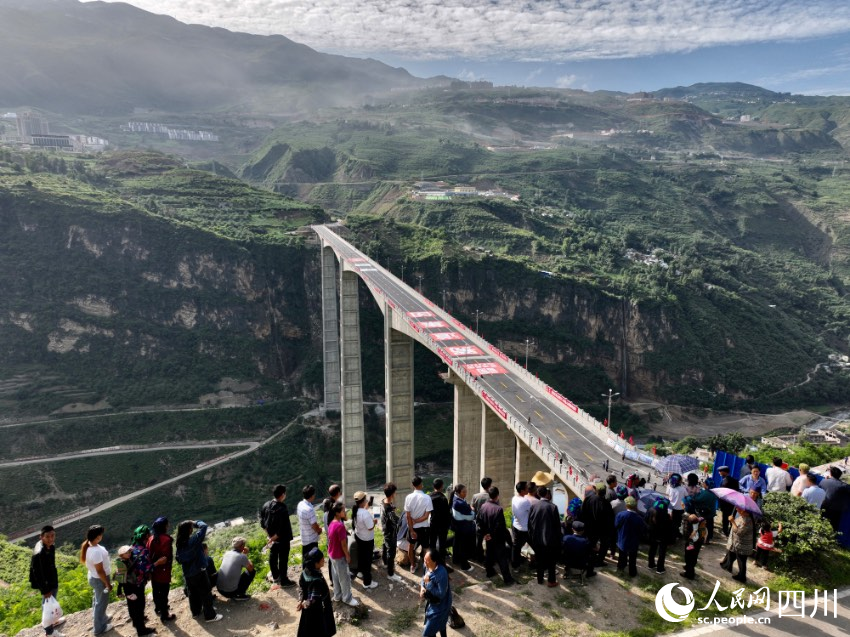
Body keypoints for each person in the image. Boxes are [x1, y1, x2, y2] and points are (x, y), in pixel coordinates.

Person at [175, 520, 222, 622]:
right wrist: (195, 522)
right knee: (205, 593)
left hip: (188, 573)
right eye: (191, 527)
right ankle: (210, 616)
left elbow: (178, 559)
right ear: (189, 530)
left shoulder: (179, 544)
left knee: (192, 593)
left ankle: (196, 612)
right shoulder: (193, 541)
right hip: (199, 571)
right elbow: (204, 526)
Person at [476, 486, 515, 585]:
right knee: (502, 558)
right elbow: (500, 526)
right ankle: (507, 579)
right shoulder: (498, 509)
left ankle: (489, 572)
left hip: (488, 537)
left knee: (489, 555)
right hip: (497, 537)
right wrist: (492, 535)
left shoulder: (483, 506)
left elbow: (479, 522)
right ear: (497, 496)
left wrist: (485, 534)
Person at [80, 525, 112, 635]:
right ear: (98, 537)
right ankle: (99, 628)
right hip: (100, 579)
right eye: (101, 534)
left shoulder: (88, 545)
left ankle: (101, 617)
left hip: (94, 577)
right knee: (101, 603)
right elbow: (100, 571)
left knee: (97, 599)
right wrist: (107, 584)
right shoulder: (96, 551)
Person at [31, 526, 62, 637]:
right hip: (46, 584)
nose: (50, 539)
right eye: (47, 536)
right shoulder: (39, 553)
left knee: (51, 602)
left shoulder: (51, 547)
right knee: (47, 606)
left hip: (52, 580)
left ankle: (53, 621)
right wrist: (45, 590)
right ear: (41, 537)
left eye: (52, 535)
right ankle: (49, 632)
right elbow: (37, 573)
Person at [326, 501, 359, 607]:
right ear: (338, 513)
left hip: (332, 554)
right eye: (343, 511)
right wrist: (348, 556)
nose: (345, 512)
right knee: (344, 577)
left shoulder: (332, 523)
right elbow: (344, 545)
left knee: (336, 576)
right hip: (339, 555)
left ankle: (338, 595)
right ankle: (347, 598)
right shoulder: (340, 526)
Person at [297, 548, 336, 637]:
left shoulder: (305, 572)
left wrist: (300, 600)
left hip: (307, 610)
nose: (324, 560)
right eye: (322, 559)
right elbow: (313, 598)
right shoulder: (316, 580)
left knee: (308, 628)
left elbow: (301, 588)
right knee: (319, 629)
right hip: (317, 610)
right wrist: (305, 603)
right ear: (316, 563)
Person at [527, 486, 561, 587]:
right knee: (551, 561)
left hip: (537, 539)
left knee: (540, 560)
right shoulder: (553, 507)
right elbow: (557, 526)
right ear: (547, 494)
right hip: (550, 539)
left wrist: (532, 537)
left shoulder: (534, 506)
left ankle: (540, 579)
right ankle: (551, 581)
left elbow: (530, 524)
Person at [125, 526, 155, 636]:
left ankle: (136, 622)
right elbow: (146, 568)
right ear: (146, 536)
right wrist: (157, 563)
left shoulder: (131, 548)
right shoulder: (143, 551)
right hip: (137, 584)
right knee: (139, 605)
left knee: (132, 605)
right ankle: (141, 630)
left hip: (128, 583)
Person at [263, 485, 295, 587]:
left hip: (272, 538)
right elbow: (282, 528)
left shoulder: (266, 505)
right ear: (282, 495)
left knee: (273, 556)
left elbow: (262, 523)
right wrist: (273, 538)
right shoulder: (282, 508)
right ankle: (284, 581)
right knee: (283, 559)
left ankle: (276, 576)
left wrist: (270, 537)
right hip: (283, 539)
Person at [147, 517, 176, 622]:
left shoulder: (151, 538)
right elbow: (166, 557)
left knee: (156, 591)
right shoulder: (166, 539)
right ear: (164, 526)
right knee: (164, 593)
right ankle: (165, 615)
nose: (168, 526)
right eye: (167, 524)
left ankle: (158, 608)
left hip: (154, 569)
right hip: (163, 571)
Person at [404, 476, 433, 574]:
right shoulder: (427, 497)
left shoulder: (408, 497)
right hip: (424, 527)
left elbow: (408, 516)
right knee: (425, 548)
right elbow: (426, 516)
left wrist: (412, 529)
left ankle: (412, 565)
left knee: (411, 547)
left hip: (412, 528)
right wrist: (417, 520)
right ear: (421, 484)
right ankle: (428, 567)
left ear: (412, 485)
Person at [420, 549, 452, 637]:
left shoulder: (441, 573)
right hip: (432, 603)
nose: (425, 562)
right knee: (440, 626)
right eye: (424, 559)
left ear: (434, 561)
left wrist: (428, 584)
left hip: (441, 607)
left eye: (427, 560)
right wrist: (422, 587)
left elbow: (441, 594)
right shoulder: (427, 565)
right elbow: (424, 577)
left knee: (427, 634)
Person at [719, 507, 754, 584]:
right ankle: (727, 565)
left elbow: (739, 532)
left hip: (742, 545)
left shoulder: (747, 520)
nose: (737, 509)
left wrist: (732, 522)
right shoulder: (743, 517)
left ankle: (742, 577)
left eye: (739, 508)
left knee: (741, 561)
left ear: (745, 511)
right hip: (736, 543)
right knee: (731, 553)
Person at [351, 491, 378, 590]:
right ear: (363, 501)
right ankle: (367, 582)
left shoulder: (356, 510)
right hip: (367, 539)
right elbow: (370, 527)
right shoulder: (365, 513)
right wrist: (374, 521)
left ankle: (360, 572)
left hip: (359, 537)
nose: (367, 500)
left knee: (361, 556)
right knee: (367, 560)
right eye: (365, 499)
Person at [580, 483, 611, 567]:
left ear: (596, 491)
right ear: (604, 492)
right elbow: (609, 518)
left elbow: (582, 512)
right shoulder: (607, 503)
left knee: (590, 544)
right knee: (604, 545)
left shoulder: (588, 499)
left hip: (590, 527)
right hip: (603, 529)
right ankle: (599, 561)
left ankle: (588, 559)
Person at [614, 497, 646, 577]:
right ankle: (632, 572)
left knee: (622, 556)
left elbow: (616, 525)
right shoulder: (639, 518)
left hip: (622, 539)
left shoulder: (621, 515)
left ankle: (620, 568)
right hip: (634, 541)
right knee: (632, 558)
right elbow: (642, 530)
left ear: (626, 505)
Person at [450, 484, 475, 572]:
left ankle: (455, 560)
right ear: (458, 492)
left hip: (458, 526)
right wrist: (471, 509)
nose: (466, 493)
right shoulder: (459, 503)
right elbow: (472, 516)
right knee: (463, 547)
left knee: (457, 544)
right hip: (463, 527)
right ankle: (465, 566)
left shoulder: (455, 498)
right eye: (464, 492)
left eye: (466, 491)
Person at [381, 482, 403, 582]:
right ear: (392, 494)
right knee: (391, 552)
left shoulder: (383, 502)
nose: (396, 494)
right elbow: (395, 521)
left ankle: (385, 562)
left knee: (385, 546)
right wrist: (403, 520)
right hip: (390, 532)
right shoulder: (388, 508)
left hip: (385, 529)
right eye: (395, 492)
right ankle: (390, 573)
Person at [321, 485, 342, 588]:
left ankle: (332, 579)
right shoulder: (334, 508)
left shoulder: (326, 505)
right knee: (337, 557)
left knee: (331, 557)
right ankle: (337, 579)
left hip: (329, 535)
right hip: (334, 537)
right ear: (337, 493)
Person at [645, 498, 673, 574]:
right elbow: (670, 529)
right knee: (661, 552)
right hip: (662, 537)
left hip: (652, 535)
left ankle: (651, 564)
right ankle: (660, 568)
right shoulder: (666, 517)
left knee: (652, 549)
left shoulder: (650, 512)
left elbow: (646, 521)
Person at [430, 479, 451, 566]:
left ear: (433, 486)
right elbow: (447, 513)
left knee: (432, 543)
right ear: (442, 486)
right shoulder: (443, 498)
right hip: (442, 524)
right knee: (442, 544)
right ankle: (442, 562)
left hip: (433, 523)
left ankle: (432, 560)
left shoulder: (429, 497)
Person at [298, 485, 323, 560]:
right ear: (312, 495)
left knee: (306, 560)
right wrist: (319, 530)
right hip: (311, 540)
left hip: (304, 538)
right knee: (312, 561)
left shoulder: (300, 504)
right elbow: (314, 526)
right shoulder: (309, 509)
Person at [510, 481, 531, 569]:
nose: (528, 489)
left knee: (516, 546)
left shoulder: (514, 498)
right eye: (526, 487)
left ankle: (515, 563)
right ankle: (516, 564)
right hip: (524, 528)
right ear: (522, 490)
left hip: (516, 525)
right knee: (534, 544)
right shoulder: (525, 501)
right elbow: (531, 513)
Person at [471, 477, 492, 562]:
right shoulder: (491, 496)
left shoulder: (476, 496)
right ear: (490, 485)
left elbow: (472, 507)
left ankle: (479, 557)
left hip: (478, 522)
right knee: (489, 541)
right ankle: (489, 558)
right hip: (489, 523)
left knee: (478, 541)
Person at [681, 514, 707, 580]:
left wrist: (689, 538)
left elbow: (691, 537)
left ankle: (689, 574)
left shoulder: (692, 527)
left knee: (689, 557)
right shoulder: (701, 521)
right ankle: (689, 568)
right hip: (699, 543)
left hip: (692, 543)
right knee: (694, 557)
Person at [692, 479, 718, 544]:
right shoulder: (714, 493)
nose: (703, 484)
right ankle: (708, 539)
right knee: (709, 526)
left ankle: (702, 539)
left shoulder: (705, 493)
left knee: (702, 526)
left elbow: (697, 500)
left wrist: (695, 494)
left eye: (704, 483)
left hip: (704, 513)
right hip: (711, 512)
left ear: (706, 485)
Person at [717, 466, 740, 536]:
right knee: (731, 517)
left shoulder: (725, 481)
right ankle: (731, 531)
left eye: (720, 471)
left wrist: (720, 504)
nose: (719, 473)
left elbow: (721, 494)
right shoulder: (734, 480)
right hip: (733, 503)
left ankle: (725, 531)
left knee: (725, 518)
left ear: (724, 472)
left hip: (725, 503)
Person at [666, 475, 687, 539]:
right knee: (677, 523)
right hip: (679, 509)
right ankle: (674, 536)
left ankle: (670, 535)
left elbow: (667, 494)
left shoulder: (669, 487)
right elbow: (686, 495)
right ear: (679, 481)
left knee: (670, 522)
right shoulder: (682, 489)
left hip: (670, 508)